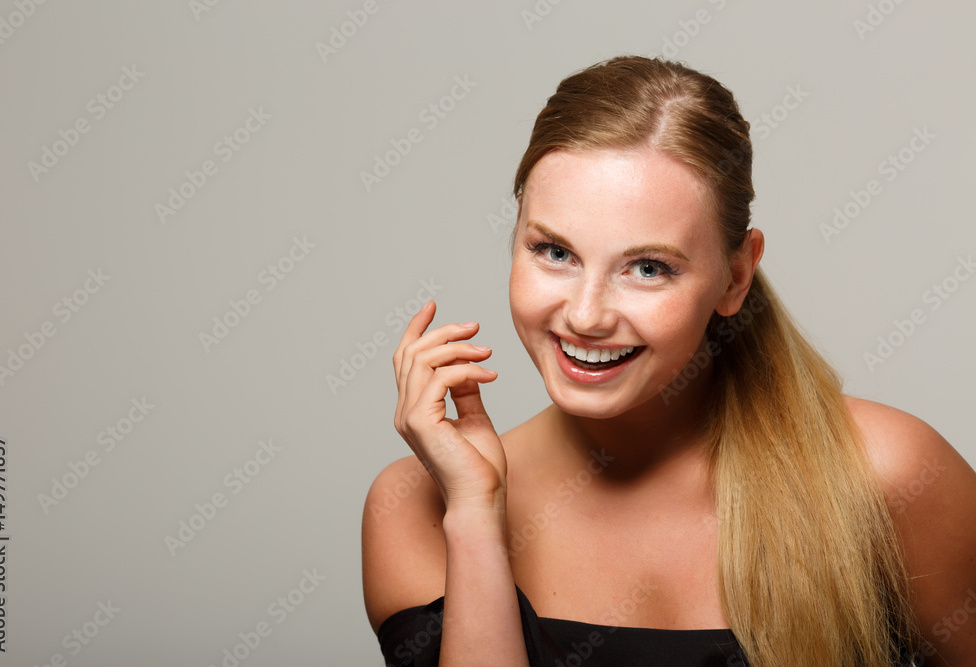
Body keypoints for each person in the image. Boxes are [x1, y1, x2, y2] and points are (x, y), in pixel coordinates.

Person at [361, 55, 976, 666]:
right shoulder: (417, 508)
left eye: (649, 267)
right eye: (555, 252)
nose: (586, 315)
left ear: (736, 276)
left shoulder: (891, 476)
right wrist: (475, 515)